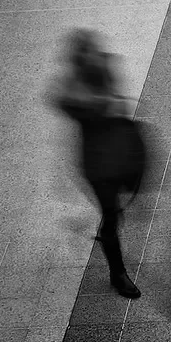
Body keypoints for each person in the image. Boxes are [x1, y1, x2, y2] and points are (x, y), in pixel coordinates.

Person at [49, 29, 142, 299]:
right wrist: (103, 102)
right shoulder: (72, 92)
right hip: (98, 163)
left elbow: (118, 106)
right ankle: (118, 273)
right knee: (111, 214)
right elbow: (69, 101)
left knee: (123, 200)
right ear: (79, 60)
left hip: (120, 146)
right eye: (89, 52)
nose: (97, 55)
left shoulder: (103, 67)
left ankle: (111, 230)